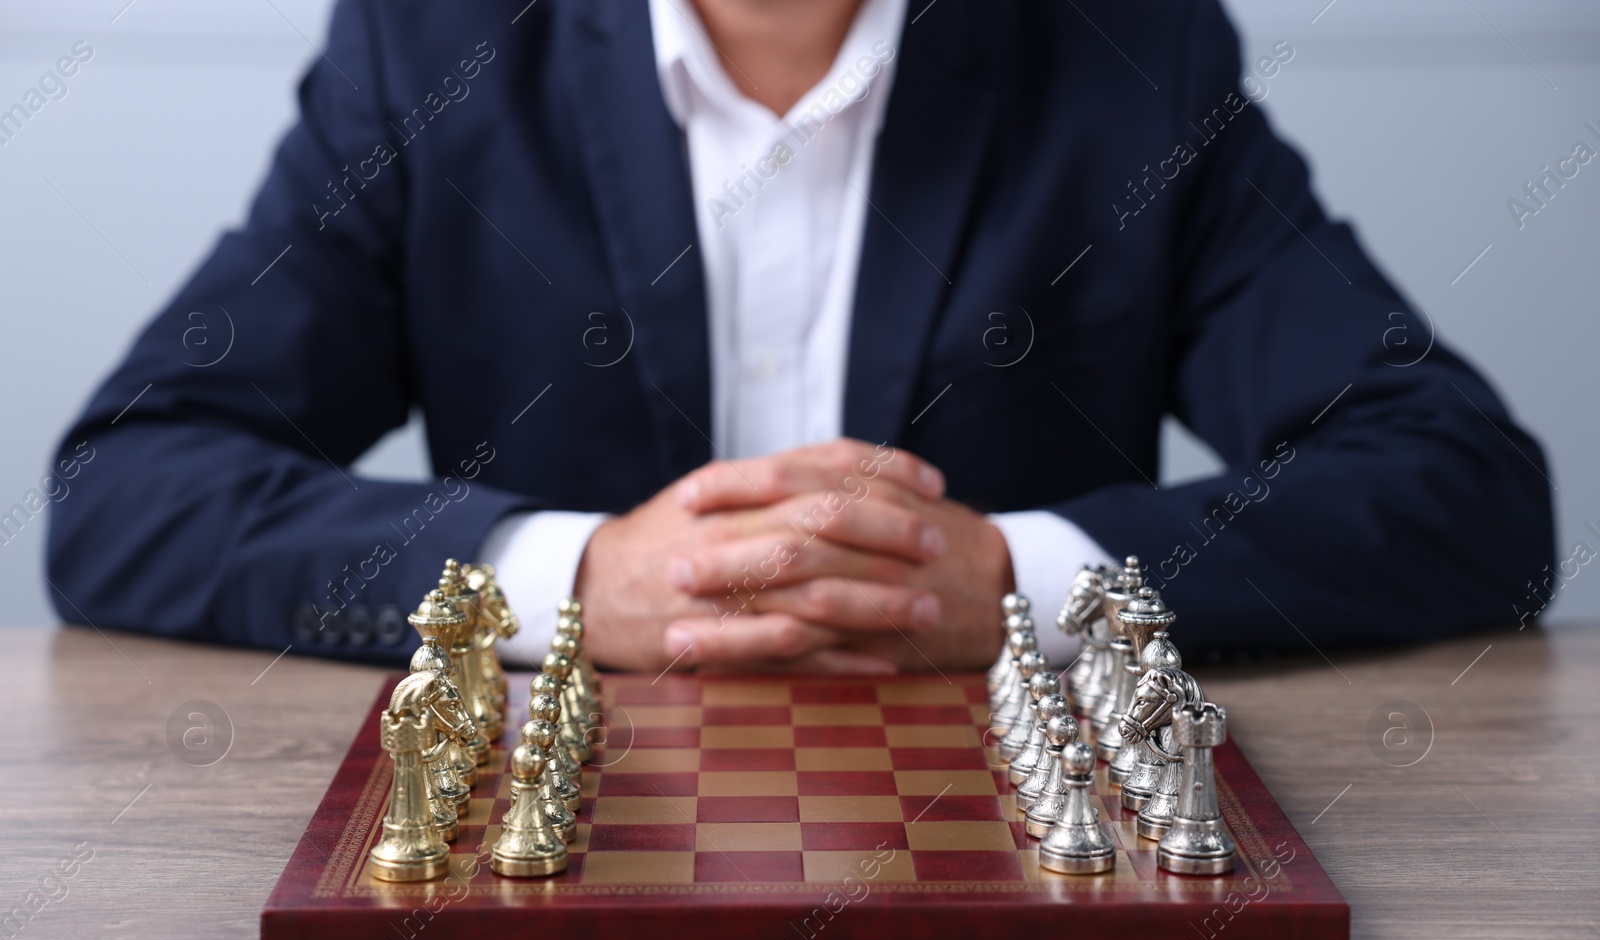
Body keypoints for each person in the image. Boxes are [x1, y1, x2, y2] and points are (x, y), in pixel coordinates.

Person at [45, 0, 1553, 673]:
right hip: (562, 920)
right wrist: (575, 583)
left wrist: (1016, 583)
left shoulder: (1125, 50)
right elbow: (127, 490)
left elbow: (1467, 491)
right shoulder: (432, 48)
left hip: (1003, 925)